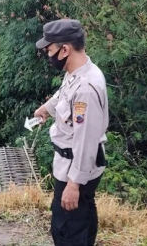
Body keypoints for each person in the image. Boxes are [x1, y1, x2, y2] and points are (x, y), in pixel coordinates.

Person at [33, 19, 109, 246]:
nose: (48, 55)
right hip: (72, 164)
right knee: (81, 218)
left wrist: (74, 184)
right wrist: (48, 108)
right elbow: (65, 93)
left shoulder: (87, 87)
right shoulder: (77, 71)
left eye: (50, 50)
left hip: (75, 168)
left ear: (65, 49)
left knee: (67, 229)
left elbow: (86, 139)